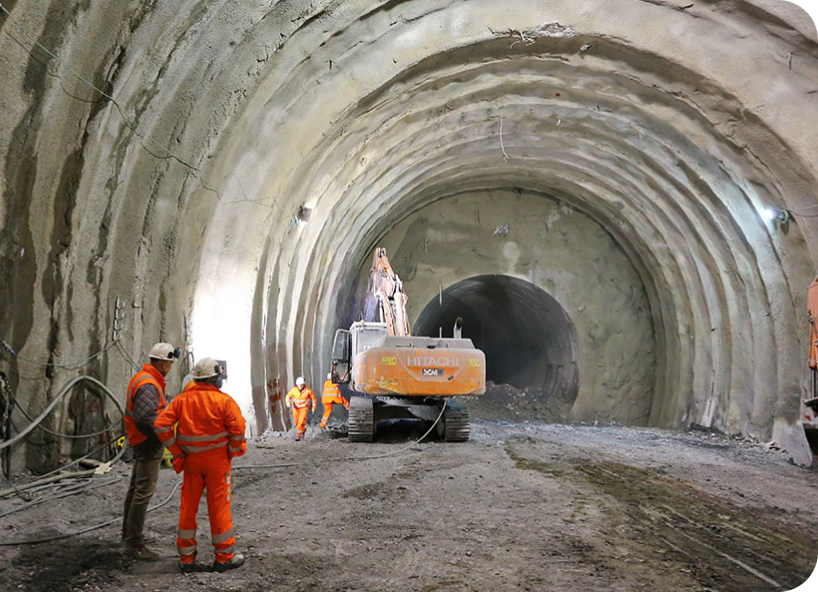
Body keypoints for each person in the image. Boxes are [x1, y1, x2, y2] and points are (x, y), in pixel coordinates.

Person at [154, 357, 246, 573]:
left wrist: (177, 452)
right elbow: (238, 431)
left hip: (192, 463)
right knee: (219, 508)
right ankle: (223, 557)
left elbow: (160, 425)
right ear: (214, 379)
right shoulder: (225, 402)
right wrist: (231, 452)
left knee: (188, 507)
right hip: (217, 463)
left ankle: (187, 559)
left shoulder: (182, 401)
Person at [121, 342, 180, 561]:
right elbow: (146, 419)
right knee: (143, 492)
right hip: (147, 442)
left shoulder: (145, 378)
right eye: (170, 363)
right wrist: (166, 438)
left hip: (140, 440)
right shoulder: (148, 383)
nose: (171, 367)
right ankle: (133, 544)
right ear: (163, 362)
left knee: (136, 489)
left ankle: (128, 536)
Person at [285, 376, 316, 441]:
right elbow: (288, 396)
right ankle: (303, 430)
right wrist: (288, 403)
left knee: (301, 422)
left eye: (303, 384)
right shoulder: (294, 390)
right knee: (297, 422)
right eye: (301, 384)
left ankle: (298, 436)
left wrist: (313, 407)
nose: (302, 386)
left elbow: (313, 399)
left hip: (304, 408)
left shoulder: (308, 390)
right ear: (297, 384)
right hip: (296, 408)